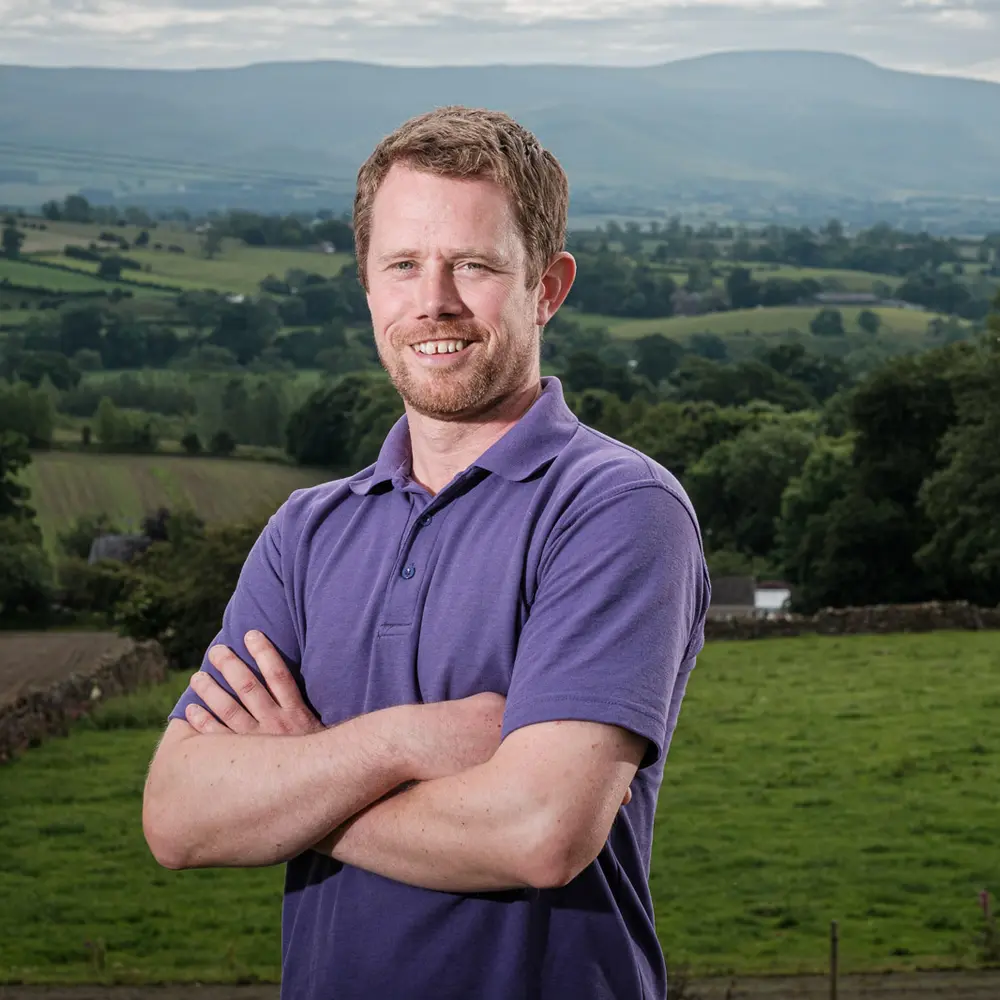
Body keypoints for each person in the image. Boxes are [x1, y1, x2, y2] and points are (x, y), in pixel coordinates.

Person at [143, 106, 710, 1000]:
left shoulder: (615, 509)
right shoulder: (307, 531)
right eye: (403, 264)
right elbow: (179, 818)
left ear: (548, 287)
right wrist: (404, 742)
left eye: (475, 265)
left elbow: (539, 833)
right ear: (368, 286)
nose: (433, 300)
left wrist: (300, 789)